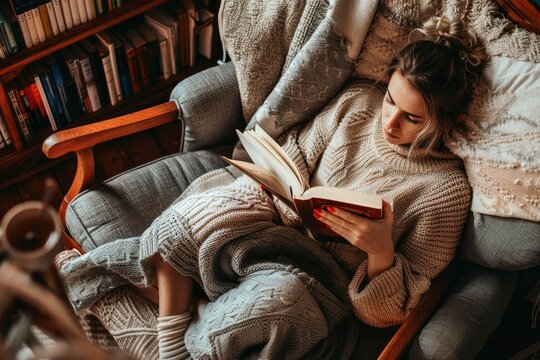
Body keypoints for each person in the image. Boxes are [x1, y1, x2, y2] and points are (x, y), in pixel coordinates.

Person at [56, 15, 486, 360]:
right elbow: (295, 150)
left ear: (444, 121)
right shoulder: (357, 104)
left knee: (278, 305)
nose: (390, 122)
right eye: (392, 100)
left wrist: (380, 254)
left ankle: (184, 331)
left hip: (317, 277)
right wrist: (279, 184)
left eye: (413, 118)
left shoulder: (444, 191)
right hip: (269, 216)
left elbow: (390, 311)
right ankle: (172, 345)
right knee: (193, 218)